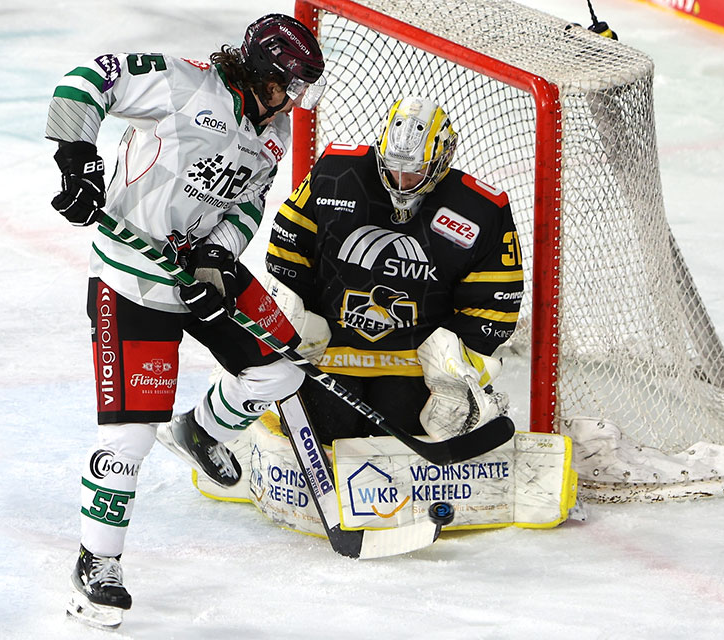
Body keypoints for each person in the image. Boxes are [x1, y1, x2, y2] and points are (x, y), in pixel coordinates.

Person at [45, 14, 325, 629]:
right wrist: (76, 160)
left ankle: (200, 431)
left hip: (197, 270)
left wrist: (215, 259)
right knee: (129, 439)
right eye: (287, 84)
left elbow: (249, 204)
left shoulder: (272, 132)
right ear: (256, 67)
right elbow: (85, 79)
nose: (291, 99)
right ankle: (97, 564)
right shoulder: (183, 85)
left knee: (282, 371)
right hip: (133, 276)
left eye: (300, 88)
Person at [263, 96, 523, 448]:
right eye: (394, 167)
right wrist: (299, 317)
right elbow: (287, 248)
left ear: (442, 160)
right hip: (331, 352)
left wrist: (457, 366)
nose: (402, 180)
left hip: (413, 364)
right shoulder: (336, 174)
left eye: (415, 170)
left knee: (411, 431)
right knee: (325, 427)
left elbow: (496, 304)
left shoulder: (480, 211)